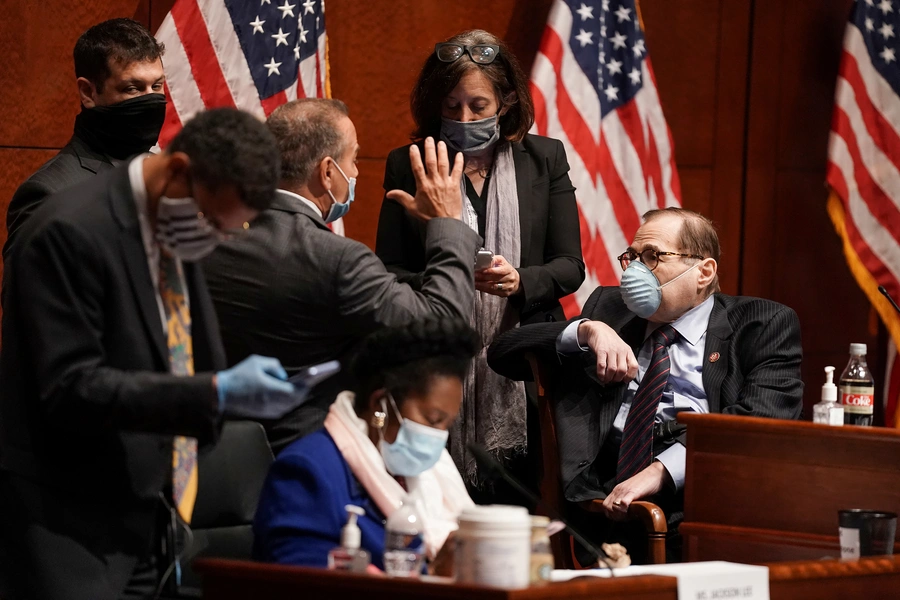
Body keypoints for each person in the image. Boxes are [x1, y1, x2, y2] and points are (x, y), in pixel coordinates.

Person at [0, 109, 310, 600]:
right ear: (178, 170)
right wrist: (212, 391)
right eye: (211, 219)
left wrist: (229, 396)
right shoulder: (65, 231)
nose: (214, 237)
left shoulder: (176, 219)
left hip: (150, 515)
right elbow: (69, 388)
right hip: (68, 522)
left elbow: (179, 348)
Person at [487, 207, 804, 562]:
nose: (635, 270)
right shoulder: (609, 309)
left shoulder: (762, 323)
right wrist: (587, 330)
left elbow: (763, 420)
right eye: (632, 257)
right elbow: (503, 353)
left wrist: (662, 471)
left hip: (698, 502)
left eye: (653, 256)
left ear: (704, 271)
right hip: (599, 498)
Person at [203, 98, 480, 453]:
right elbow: (443, 328)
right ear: (328, 171)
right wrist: (447, 224)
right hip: (305, 457)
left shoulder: (207, 236)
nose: (358, 171)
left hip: (210, 455)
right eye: (354, 158)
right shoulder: (335, 259)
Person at [375, 29, 585, 493]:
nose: (463, 117)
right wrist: (449, 274)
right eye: (451, 107)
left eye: (478, 106)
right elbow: (387, 273)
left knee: (520, 503)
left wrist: (520, 279)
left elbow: (570, 265)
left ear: (506, 101)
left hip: (525, 365)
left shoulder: (543, 159)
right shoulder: (408, 163)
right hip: (436, 363)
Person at [253, 319, 479, 571]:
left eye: (447, 424)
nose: (439, 436)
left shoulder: (421, 475)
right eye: (433, 419)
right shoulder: (307, 471)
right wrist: (434, 575)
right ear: (379, 404)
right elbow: (300, 583)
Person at [5, 18, 167, 257]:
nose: (150, 99)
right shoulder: (49, 194)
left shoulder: (165, 177)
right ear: (88, 92)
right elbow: (30, 293)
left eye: (156, 86)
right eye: (132, 88)